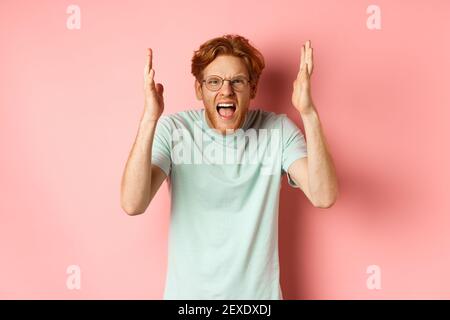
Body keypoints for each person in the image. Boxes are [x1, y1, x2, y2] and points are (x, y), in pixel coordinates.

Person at [120, 34, 338, 300]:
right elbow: (133, 203)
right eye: (214, 82)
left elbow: (323, 195)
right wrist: (149, 119)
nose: (226, 91)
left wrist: (308, 113)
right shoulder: (175, 130)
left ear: (253, 88)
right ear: (199, 90)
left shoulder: (277, 131)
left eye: (237, 81)